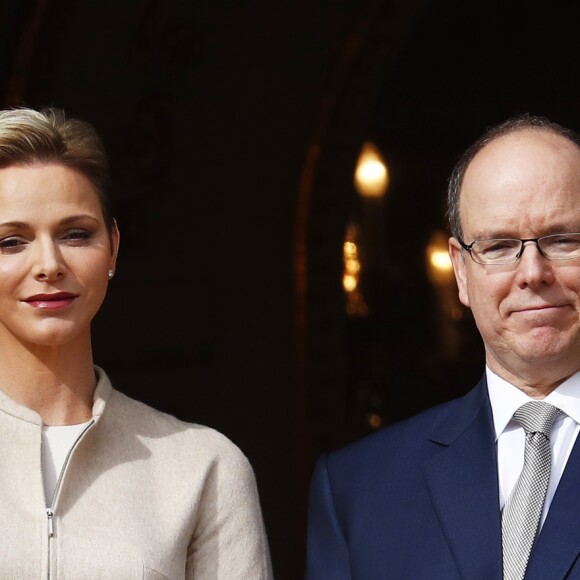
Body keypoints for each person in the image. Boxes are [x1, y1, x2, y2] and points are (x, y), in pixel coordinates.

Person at [0, 107, 273, 579]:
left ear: (113, 246)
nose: (49, 263)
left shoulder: (204, 467)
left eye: (75, 234)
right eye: (10, 242)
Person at [305, 114, 580, 579]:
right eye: (498, 246)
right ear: (460, 272)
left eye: (563, 240)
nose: (532, 272)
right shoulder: (358, 488)